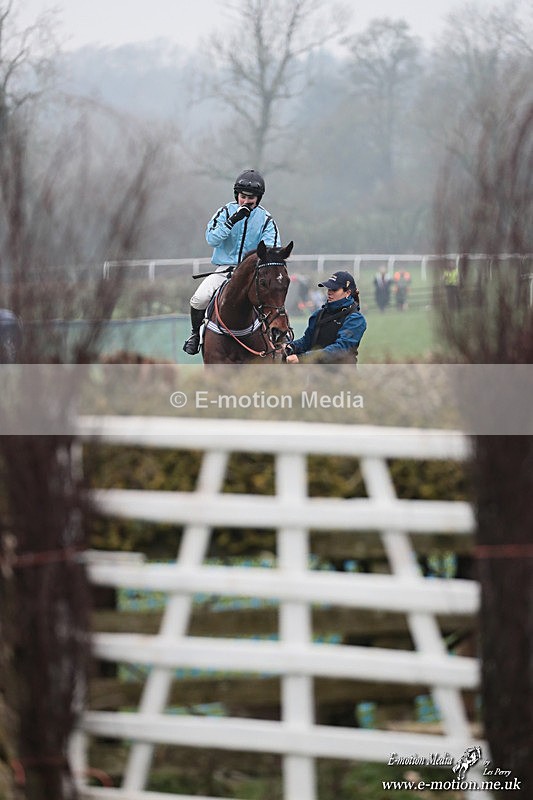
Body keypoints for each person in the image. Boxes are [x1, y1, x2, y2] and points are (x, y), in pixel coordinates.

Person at [183, 169, 281, 355]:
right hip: (224, 269)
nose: (246, 201)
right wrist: (232, 221)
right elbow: (212, 239)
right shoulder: (224, 212)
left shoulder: (266, 220)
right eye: (243, 196)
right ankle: (195, 334)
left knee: (272, 300)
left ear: (258, 199)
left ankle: (278, 340)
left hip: (253, 272)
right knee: (199, 299)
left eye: (251, 198)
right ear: (237, 195)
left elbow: (271, 249)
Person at [282, 271, 366, 364]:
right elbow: (307, 341)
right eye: (329, 289)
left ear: (348, 292)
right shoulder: (318, 314)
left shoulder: (355, 319)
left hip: (342, 376)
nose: (329, 292)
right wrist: (290, 347)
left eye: (334, 289)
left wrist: (302, 358)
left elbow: (341, 348)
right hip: (316, 375)